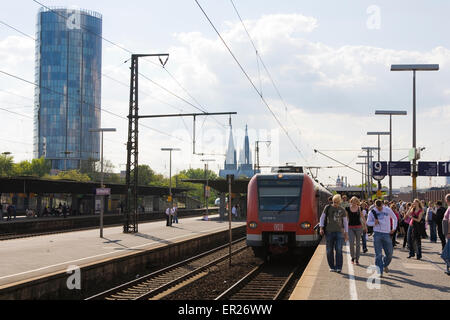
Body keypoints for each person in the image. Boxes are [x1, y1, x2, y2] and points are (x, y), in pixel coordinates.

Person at [366, 199, 397, 276]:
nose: (379, 209)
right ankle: (379, 271)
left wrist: (394, 228)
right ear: (375, 205)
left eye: (380, 207)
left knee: (389, 253)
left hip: (386, 233)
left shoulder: (387, 210)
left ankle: (384, 264)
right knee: (378, 254)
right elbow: (368, 222)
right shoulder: (372, 212)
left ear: (382, 204)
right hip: (377, 234)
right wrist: (374, 223)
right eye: (378, 208)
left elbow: (395, 218)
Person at [319, 194, 349, 273]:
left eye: (337, 202)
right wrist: (321, 228)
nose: (335, 203)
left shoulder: (342, 209)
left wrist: (346, 233)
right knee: (329, 250)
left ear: (340, 202)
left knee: (339, 249)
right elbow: (322, 218)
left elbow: (345, 222)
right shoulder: (327, 208)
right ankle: (332, 266)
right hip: (329, 232)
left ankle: (339, 267)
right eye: (334, 202)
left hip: (339, 232)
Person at [346, 197, 366, 265]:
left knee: (358, 244)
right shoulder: (347, 209)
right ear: (351, 201)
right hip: (350, 227)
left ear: (357, 202)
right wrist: (345, 229)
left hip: (358, 228)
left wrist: (365, 225)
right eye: (353, 201)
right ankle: (352, 257)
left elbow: (362, 217)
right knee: (351, 243)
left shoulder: (359, 208)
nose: (354, 202)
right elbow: (346, 219)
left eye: (355, 201)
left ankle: (357, 259)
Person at [441, 194, 450, 275]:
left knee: (445, 254)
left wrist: (449, 232)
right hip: (447, 232)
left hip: (449, 233)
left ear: (447, 200)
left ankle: (448, 268)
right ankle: (448, 268)